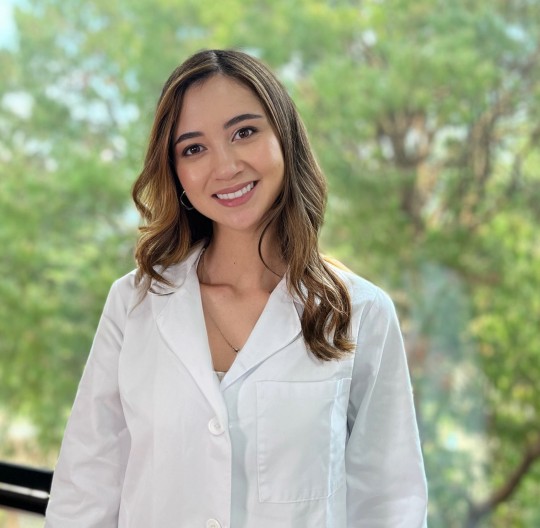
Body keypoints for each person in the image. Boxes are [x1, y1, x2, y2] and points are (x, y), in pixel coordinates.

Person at [45, 49, 428, 527]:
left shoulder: (360, 313)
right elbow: (85, 492)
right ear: (176, 173)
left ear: (284, 137)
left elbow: (390, 505)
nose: (224, 166)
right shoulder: (134, 304)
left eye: (244, 132)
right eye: (194, 148)